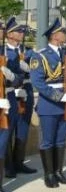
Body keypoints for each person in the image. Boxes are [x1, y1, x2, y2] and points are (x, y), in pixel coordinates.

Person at [30, 18, 66, 188]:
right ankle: (49, 174)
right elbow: (38, 82)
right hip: (50, 103)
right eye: (63, 32)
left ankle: (59, 172)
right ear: (54, 36)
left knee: (61, 140)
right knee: (48, 140)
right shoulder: (41, 55)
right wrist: (58, 96)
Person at [3, 17, 37, 179]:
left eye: (22, 31)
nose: (22, 33)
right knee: (7, 130)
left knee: (23, 128)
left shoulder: (28, 51)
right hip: (10, 94)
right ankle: (8, 167)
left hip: (26, 92)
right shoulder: (4, 52)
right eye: (18, 31)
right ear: (9, 34)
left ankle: (19, 162)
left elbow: (36, 69)